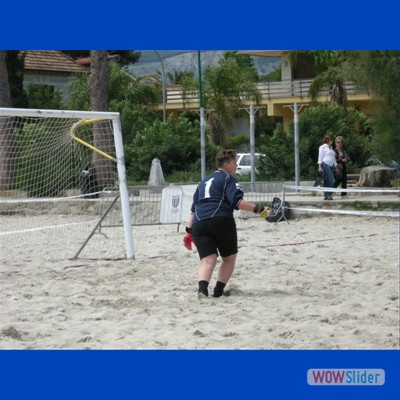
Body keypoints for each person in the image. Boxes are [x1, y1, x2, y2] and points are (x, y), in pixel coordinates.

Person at [183, 149, 271, 300]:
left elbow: (193, 210)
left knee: (207, 260)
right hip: (220, 220)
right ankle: (218, 292)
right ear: (226, 165)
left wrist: (189, 232)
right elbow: (237, 203)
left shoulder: (203, 181)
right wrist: (260, 209)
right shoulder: (228, 179)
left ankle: (202, 291)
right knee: (229, 258)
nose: (236, 165)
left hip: (199, 224)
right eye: (234, 162)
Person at [317, 133, 339, 200]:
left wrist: (336, 166)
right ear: (327, 140)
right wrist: (320, 166)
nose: (332, 141)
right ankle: (329, 194)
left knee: (328, 180)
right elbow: (320, 157)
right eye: (331, 139)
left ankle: (326, 195)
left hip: (331, 165)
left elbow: (333, 158)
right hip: (325, 164)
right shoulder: (323, 147)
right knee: (331, 178)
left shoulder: (331, 148)